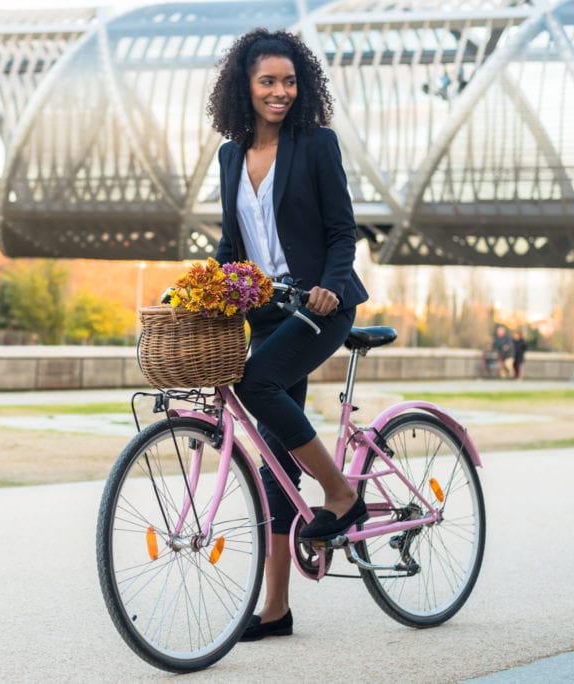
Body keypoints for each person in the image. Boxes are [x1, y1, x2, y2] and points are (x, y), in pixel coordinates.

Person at [207, 28, 370, 641]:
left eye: (289, 81)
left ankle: (340, 492)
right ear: (243, 89)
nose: (280, 92)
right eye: (267, 82)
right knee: (274, 457)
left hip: (322, 304)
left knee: (256, 382)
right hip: (270, 312)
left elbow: (342, 232)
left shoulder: (316, 145)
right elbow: (232, 248)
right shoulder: (231, 156)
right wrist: (199, 288)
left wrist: (330, 283)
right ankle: (275, 609)